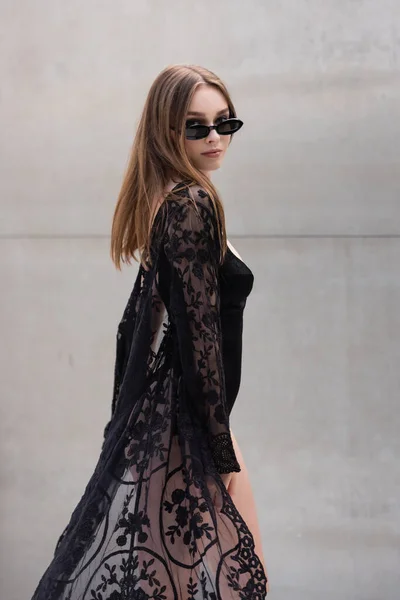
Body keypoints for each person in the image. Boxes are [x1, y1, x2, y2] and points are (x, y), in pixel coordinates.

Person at [31, 64, 269, 600]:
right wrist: (220, 450)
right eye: (196, 126)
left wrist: (126, 425)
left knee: (181, 583)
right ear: (167, 131)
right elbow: (198, 336)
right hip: (192, 424)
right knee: (239, 583)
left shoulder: (169, 200)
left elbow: (134, 328)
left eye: (224, 124)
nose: (214, 138)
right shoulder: (190, 204)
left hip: (177, 422)